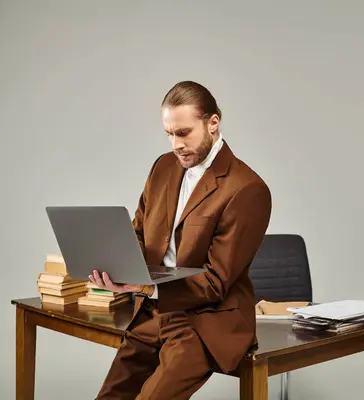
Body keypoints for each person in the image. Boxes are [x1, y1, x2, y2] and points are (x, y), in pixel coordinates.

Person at [90, 80, 272, 399]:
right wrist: (118, 266)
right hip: (151, 312)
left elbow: (215, 282)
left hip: (206, 322)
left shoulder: (247, 189)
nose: (176, 144)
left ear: (212, 123)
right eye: (169, 134)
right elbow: (138, 233)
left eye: (184, 133)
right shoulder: (162, 168)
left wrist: (146, 286)